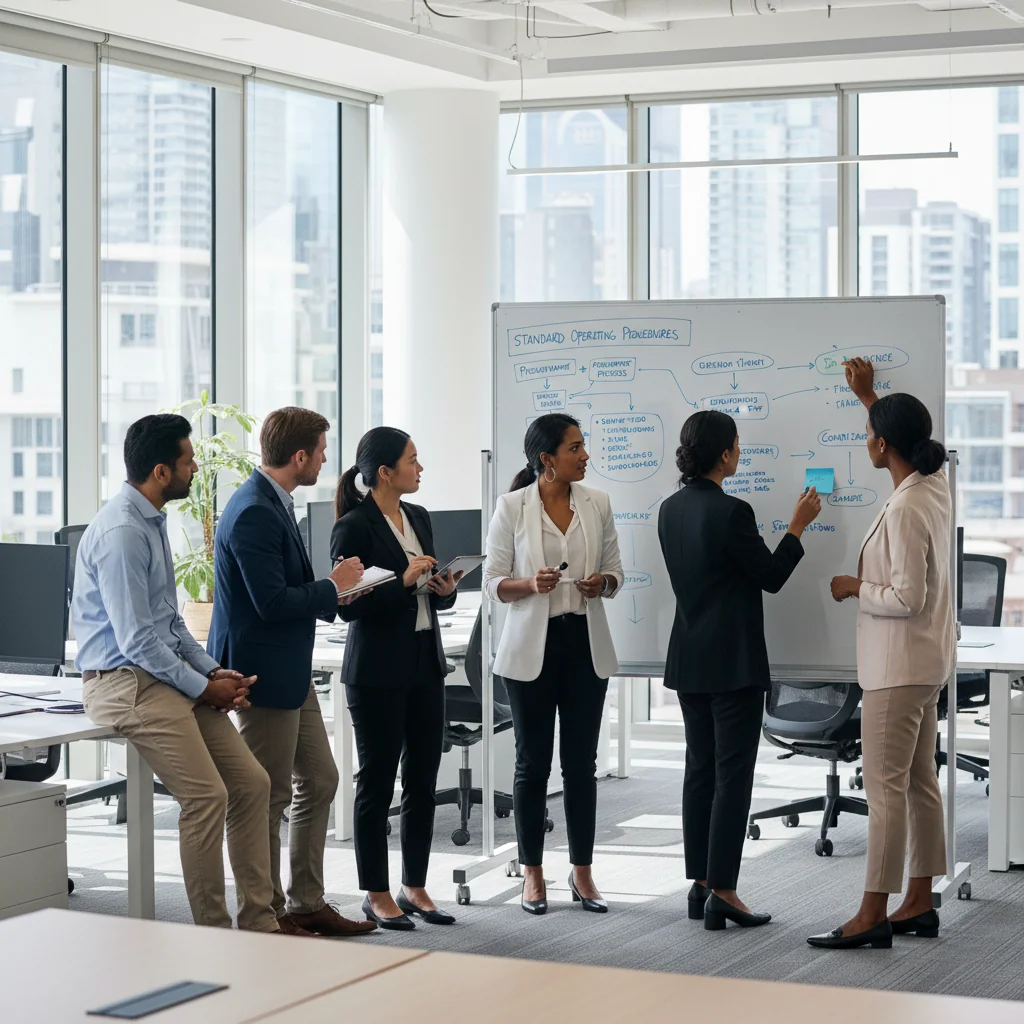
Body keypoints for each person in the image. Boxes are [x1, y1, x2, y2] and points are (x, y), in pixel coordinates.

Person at [73, 414, 281, 933]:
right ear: (162, 472)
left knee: (252, 783)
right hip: (122, 684)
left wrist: (215, 672)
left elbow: (169, 624)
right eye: (188, 460)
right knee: (206, 797)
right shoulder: (123, 531)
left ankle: (261, 924)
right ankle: (212, 933)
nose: (195, 468)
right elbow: (136, 640)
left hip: (160, 678)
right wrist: (202, 687)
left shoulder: (151, 520)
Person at [208, 407, 376, 938]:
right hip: (259, 673)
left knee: (321, 779)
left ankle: (306, 902)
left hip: (288, 668)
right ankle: (265, 913)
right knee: (269, 795)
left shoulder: (274, 502)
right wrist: (335, 585)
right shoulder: (255, 509)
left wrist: (338, 586)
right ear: (299, 456)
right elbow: (271, 602)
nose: (328, 460)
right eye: (322, 451)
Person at [808, 359, 954, 951]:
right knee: (919, 782)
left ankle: (872, 911)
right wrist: (868, 398)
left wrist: (852, 587)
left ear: (884, 443)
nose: (865, 442)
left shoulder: (906, 506)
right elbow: (895, 437)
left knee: (886, 788)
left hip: (896, 669)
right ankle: (918, 900)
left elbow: (906, 597)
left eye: (870, 433)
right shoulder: (932, 488)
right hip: (924, 665)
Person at [658, 410, 821, 931]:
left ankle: (701, 885)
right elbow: (771, 576)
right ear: (726, 453)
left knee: (700, 771)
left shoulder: (668, 509)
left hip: (689, 657)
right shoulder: (732, 511)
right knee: (732, 776)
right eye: (737, 444)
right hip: (733, 661)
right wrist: (796, 527)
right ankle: (724, 891)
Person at [482, 412, 623, 916]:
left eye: (585, 446)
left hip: (583, 641)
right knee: (532, 763)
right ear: (547, 459)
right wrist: (530, 585)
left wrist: (600, 583)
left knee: (581, 764)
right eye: (576, 447)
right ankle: (532, 873)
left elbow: (616, 573)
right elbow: (493, 582)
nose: (585, 455)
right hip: (530, 648)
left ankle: (582, 872)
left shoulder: (598, 503)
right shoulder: (512, 507)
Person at [330, 427, 462, 930]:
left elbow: (426, 593)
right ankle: (376, 892)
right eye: (412, 460)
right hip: (377, 671)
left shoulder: (419, 517)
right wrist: (404, 583)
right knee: (377, 781)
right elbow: (347, 606)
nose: (420, 467)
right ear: (385, 471)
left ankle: (415, 885)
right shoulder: (353, 526)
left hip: (425, 665)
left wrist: (441, 587)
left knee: (424, 780)